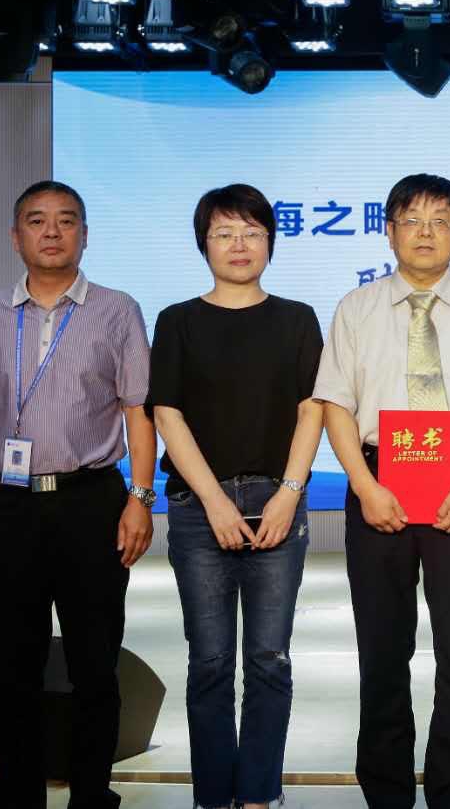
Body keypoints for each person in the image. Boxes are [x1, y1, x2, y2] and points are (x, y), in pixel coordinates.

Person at [312, 173, 450, 809]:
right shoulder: (356, 309)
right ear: (389, 231)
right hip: (377, 483)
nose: (426, 233)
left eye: (442, 221)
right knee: (382, 647)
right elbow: (335, 404)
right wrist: (364, 486)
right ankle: (385, 791)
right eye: (412, 220)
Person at [0, 180, 156, 809]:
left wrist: (141, 498)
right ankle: (18, 798)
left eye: (66, 220)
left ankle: (91, 796)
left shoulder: (117, 310)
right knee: (13, 667)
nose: (52, 232)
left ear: (85, 235)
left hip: (93, 502)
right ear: (16, 238)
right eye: (37, 221)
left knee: (95, 666)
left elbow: (139, 411)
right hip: (10, 506)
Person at [146, 184, 324, 809]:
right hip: (200, 512)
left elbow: (312, 409)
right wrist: (215, 502)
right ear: (204, 245)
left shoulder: (298, 318)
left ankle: (258, 795)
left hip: (279, 503)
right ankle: (213, 796)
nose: (239, 245)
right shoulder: (177, 320)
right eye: (224, 233)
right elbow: (166, 413)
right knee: (210, 662)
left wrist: (289, 493)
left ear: (270, 241)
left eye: (251, 232)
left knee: (270, 659)